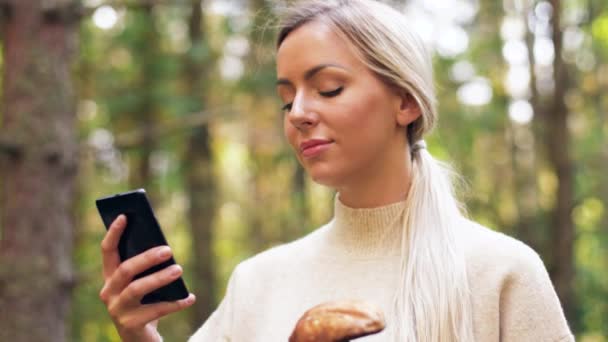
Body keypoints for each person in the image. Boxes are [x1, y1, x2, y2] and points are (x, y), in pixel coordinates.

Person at [99, 0, 575, 341]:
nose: (298, 113)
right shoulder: (258, 282)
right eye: (287, 98)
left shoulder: (499, 272)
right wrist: (139, 335)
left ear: (405, 101)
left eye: (328, 89)